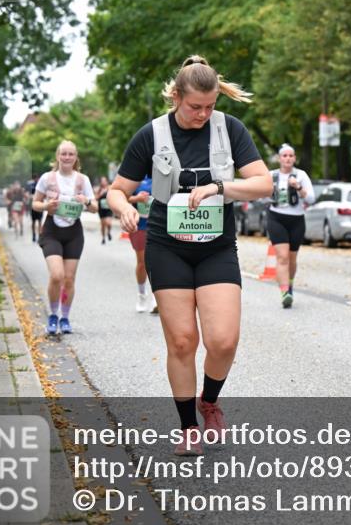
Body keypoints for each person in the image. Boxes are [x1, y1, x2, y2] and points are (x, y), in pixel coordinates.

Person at [107, 55, 272, 456]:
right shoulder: (151, 134)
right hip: (167, 247)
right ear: (177, 97)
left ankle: (209, 400)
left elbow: (264, 183)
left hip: (216, 247)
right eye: (195, 106)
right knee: (182, 342)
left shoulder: (230, 129)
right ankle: (187, 428)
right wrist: (124, 207)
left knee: (223, 341)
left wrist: (220, 187)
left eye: (210, 105)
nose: (203, 114)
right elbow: (117, 189)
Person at [31, 140, 98, 336]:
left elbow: (94, 208)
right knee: (57, 275)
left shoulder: (82, 180)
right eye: (64, 154)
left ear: (76, 157)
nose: (67, 157)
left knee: (69, 279)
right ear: (58, 156)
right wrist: (45, 207)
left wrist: (86, 201)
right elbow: (35, 203)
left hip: (74, 232)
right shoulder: (47, 178)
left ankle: (65, 317)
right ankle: (53, 315)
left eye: (71, 154)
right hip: (52, 230)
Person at [266, 144, 315, 308]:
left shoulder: (301, 175)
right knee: (282, 257)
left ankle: (290, 283)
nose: (287, 158)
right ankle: (284, 292)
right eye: (284, 156)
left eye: (290, 155)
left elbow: (311, 199)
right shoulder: (271, 175)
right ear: (280, 159)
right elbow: (259, 195)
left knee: (292, 259)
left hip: (296, 220)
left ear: (294, 158)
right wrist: (267, 192)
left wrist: (298, 187)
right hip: (276, 218)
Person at [126, 175, 157, 313]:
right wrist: (137, 198)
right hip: (140, 226)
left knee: (160, 262)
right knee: (142, 262)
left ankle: (156, 297)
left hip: (159, 225)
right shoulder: (136, 176)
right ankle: (141, 295)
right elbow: (122, 197)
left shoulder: (163, 174)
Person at [95, 176, 114, 244]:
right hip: (101, 209)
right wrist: (100, 195)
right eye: (102, 181)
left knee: (108, 222)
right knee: (103, 225)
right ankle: (103, 238)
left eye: (104, 181)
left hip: (109, 208)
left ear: (107, 181)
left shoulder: (110, 188)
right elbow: (95, 198)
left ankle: (108, 232)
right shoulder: (99, 189)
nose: (103, 182)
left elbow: (114, 195)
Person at [26, 173, 43, 242]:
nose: (37, 180)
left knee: (40, 221)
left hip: (40, 205)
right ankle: (34, 235)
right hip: (33, 205)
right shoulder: (31, 185)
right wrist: (30, 196)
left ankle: (39, 235)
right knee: (33, 222)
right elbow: (26, 194)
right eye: (36, 178)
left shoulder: (41, 185)